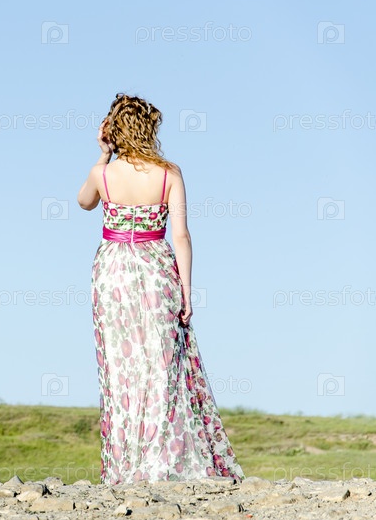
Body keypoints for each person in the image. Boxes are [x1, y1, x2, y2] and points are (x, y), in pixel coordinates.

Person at [77, 93, 245, 484]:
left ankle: (127, 464)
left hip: (113, 271)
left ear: (113, 130)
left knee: (121, 369)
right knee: (163, 364)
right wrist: (187, 291)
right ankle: (162, 457)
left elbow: (84, 203)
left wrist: (102, 155)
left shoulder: (103, 174)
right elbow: (181, 235)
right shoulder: (170, 173)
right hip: (155, 268)